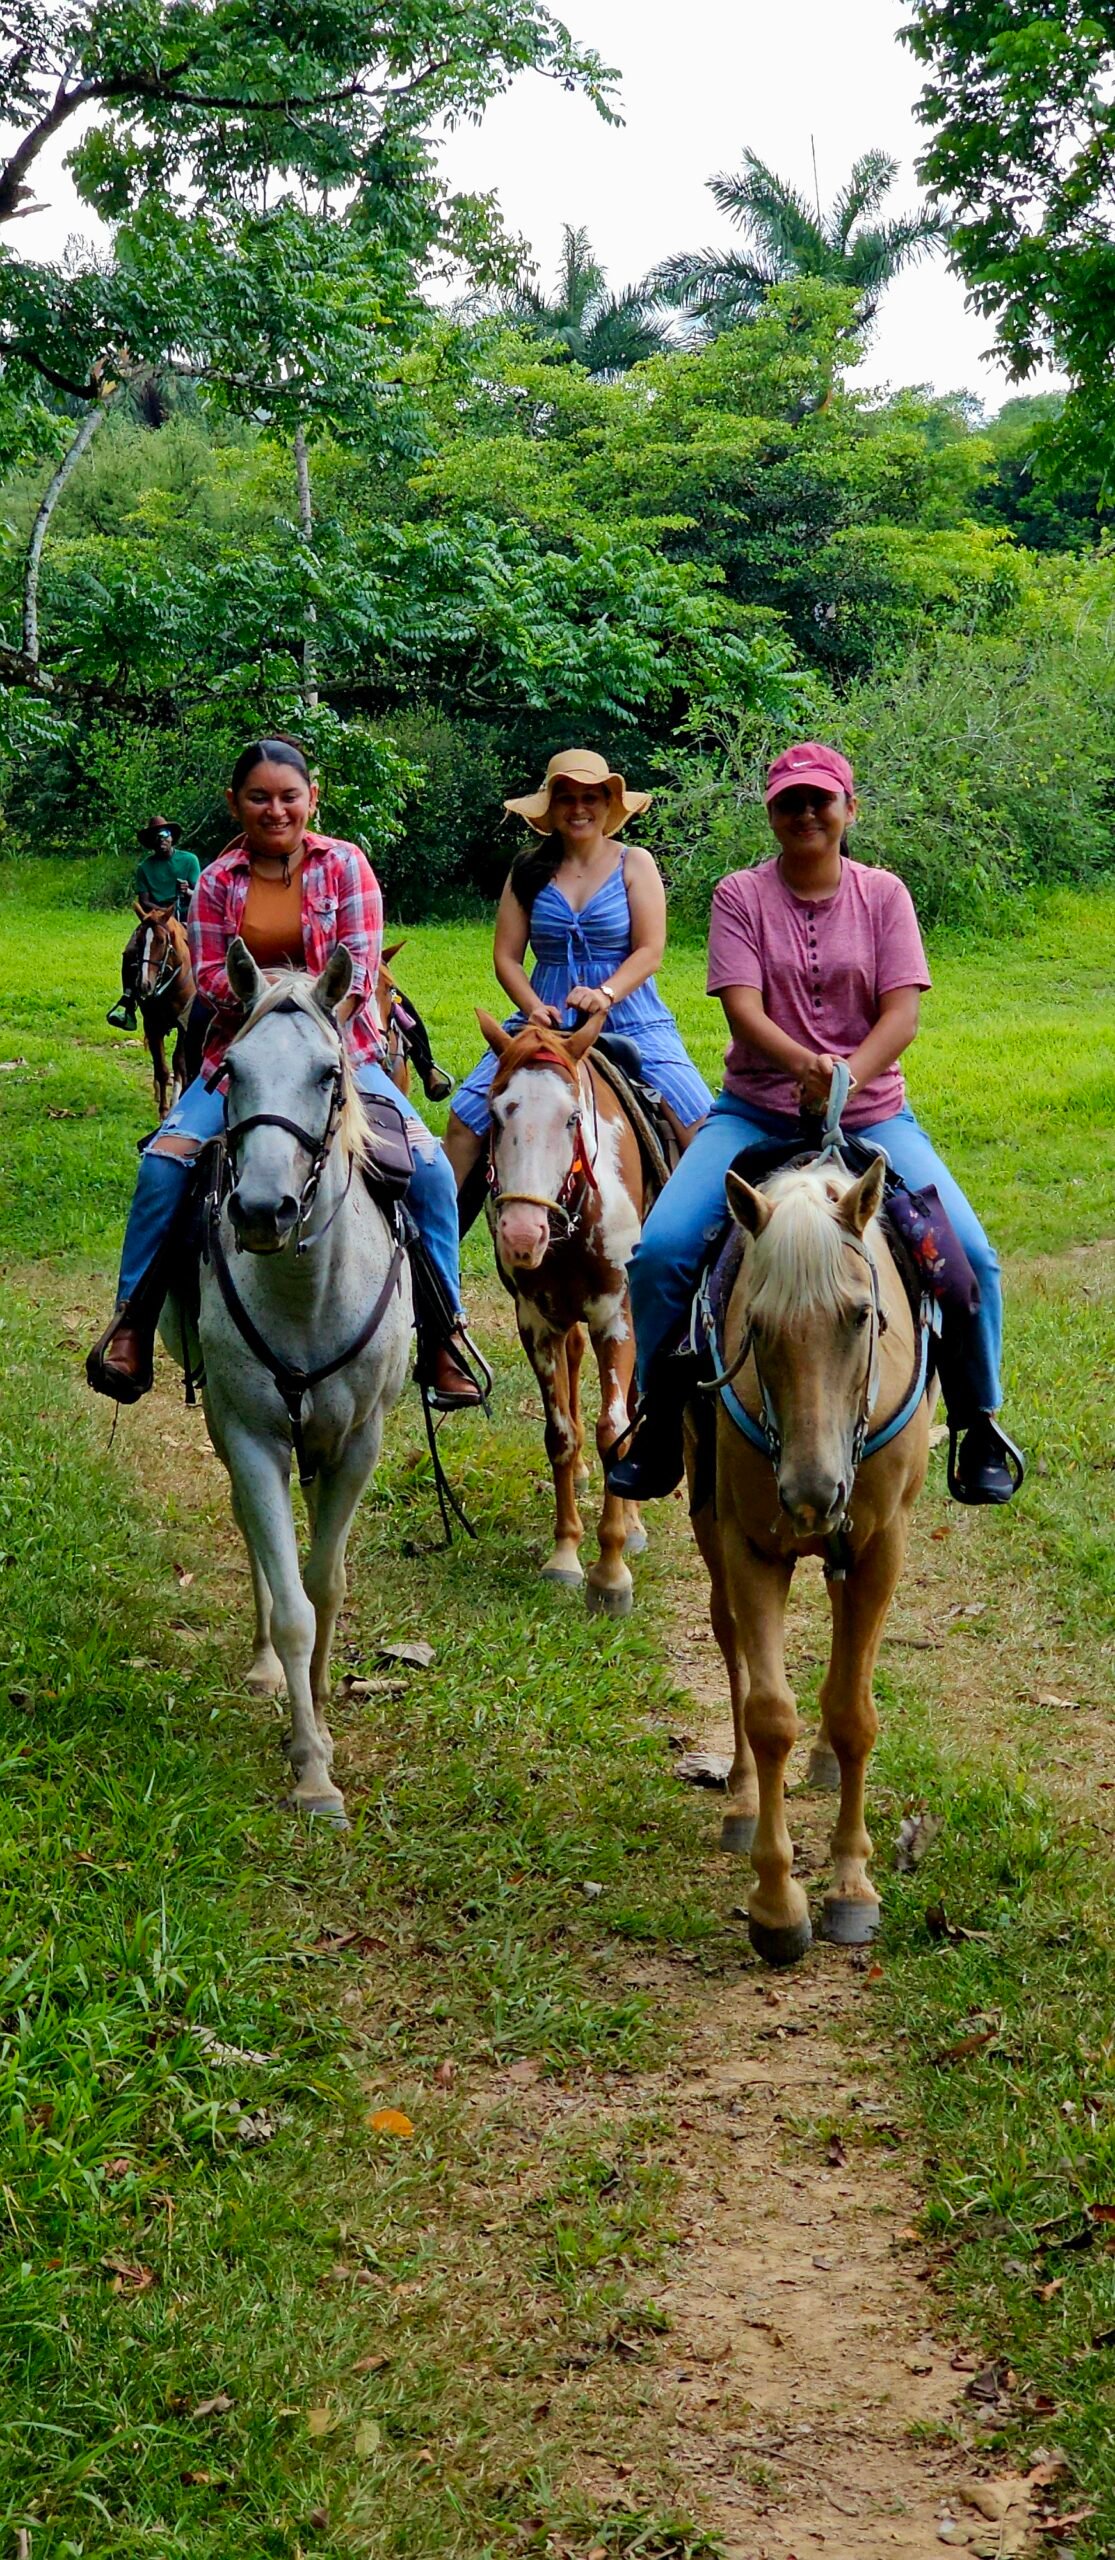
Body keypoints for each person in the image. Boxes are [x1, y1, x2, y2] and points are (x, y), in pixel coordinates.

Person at [607, 740, 1024, 1506]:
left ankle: (977, 1421)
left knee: (967, 1259)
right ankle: (659, 1418)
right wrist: (802, 1068)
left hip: (873, 1117)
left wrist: (843, 1079)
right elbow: (741, 1007)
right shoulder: (739, 894)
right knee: (661, 1251)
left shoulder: (883, 895)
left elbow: (901, 1014)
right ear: (771, 814)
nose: (804, 814)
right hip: (752, 1113)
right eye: (788, 803)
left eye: (818, 800)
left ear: (847, 810)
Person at [87, 738, 482, 1411]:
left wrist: (293, 1000)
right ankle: (133, 1320)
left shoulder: (348, 866)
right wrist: (276, 996)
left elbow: (356, 972)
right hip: (240, 1058)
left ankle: (444, 1331)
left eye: (288, 796)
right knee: (163, 1164)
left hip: (342, 1059)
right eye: (259, 797)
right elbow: (211, 974)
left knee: (432, 1170)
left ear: (311, 800)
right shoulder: (216, 880)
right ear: (235, 804)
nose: (276, 810)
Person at [444, 748, 711, 1200]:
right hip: (542, 1023)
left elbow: (650, 951)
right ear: (551, 808)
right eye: (567, 797)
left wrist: (606, 993)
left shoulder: (635, 863)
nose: (579, 808)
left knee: (699, 1123)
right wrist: (532, 1006)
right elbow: (506, 957)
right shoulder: (526, 870)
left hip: (632, 1018)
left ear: (609, 805)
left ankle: (707, 1245)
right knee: (464, 1122)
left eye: (591, 797)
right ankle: (433, 1252)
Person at [107, 818, 202, 1030]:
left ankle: (209, 997)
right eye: (156, 837)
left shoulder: (189, 861)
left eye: (165, 834)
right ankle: (128, 1001)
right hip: (154, 917)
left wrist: (186, 891)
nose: (161, 840)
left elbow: (200, 894)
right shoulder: (145, 867)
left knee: (203, 949)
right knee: (130, 951)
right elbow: (144, 899)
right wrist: (158, 914)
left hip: (184, 914)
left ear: (172, 837)